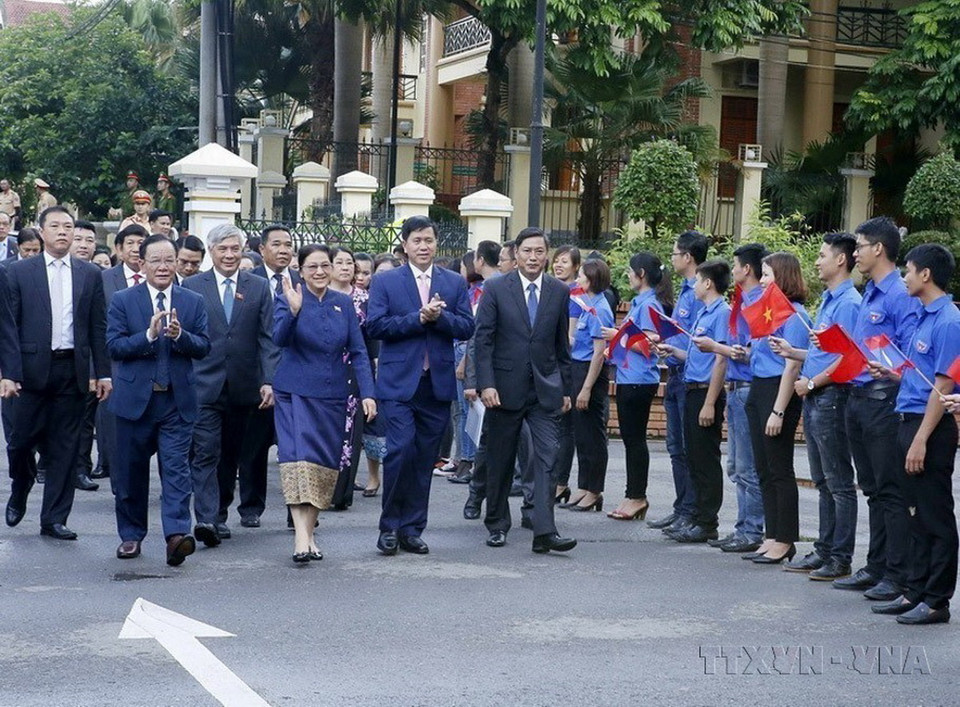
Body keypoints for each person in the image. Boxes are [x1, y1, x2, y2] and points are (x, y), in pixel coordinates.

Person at [366, 215, 474, 556]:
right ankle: (389, 527)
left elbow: (467, 327)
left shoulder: (454, 282)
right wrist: (418, 319)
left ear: (436, 243)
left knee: (425, 457)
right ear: (405, 244)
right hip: (399, 383)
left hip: (437, 383)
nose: (423, 246)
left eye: (428, 240)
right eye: (416, 241)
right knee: (400, 451)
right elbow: (376, 326)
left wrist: (439, 318)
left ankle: (413, 529)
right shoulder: (387, 282)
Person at [2, 206, 111, 539]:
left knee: (65, 446)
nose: (63, 232)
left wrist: (102, 372)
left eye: (68, 227)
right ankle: (21, 486)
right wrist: (8, 372)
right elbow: (8, 326)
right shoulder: (18, 272)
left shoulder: (89, 274)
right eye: (56, 226)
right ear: (41, 231)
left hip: (71, 368)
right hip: (29, 370)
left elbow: (97, 326)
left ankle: (54, 518)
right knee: (20, 441)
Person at [868, 244, 960, 625]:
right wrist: (892, 374)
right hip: (908, 419)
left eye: (908, 269)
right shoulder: (924, 316)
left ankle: (937, 599)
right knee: (914, 513)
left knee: (934, 514)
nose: (904, 277)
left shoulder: (949, 320)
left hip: (930, 427)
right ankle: (915, 590)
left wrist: (922, 438)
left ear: (926, 275)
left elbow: (943, 384)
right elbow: (919, 371)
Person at [106, 235, 211, 565]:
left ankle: (176, 536)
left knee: (177, 471)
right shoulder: (123, 300)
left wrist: (181, 336)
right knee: (130, 473)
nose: (164, 267)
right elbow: (115, 347)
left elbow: (204, 346)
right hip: (135, 401)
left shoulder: (192, 301)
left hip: (176, 403)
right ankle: (131, 535)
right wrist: (149, 336)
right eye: (156, 261)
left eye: (170, 260)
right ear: (142, 263)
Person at [474, 227, 576, 553]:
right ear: (516, 254)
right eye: (527, 251)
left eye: (539, 252)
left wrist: (565, 389)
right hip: (503, 390)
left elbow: (561, 345)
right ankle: (497, 524)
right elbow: (483, 340)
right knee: (501, 460)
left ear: (547, 255)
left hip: (545, 391)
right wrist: (485, 384)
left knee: (547, 460)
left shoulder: (559, 292)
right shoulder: (495, 288)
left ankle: (544, 531)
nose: (533, 258)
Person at [835, 217, 920, 600]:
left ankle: (897, 573)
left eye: (860, 246)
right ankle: (877, 565)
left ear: (879, 249)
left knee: (890, 491)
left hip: (884, 400)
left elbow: (911, 355)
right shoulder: (869, 291)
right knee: (871, 488)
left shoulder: (900, 294)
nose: (855, 253)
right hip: (858, 398)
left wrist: (891, 371)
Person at [274, 244, 375, 562]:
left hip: (334, 394)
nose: (319, 272)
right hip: (295, 392)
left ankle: (309, 533)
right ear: (300, 269)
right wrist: (292, 312)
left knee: (324, 465)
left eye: (324, 266)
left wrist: (368, 394)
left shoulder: (343, 303)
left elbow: (359, 351)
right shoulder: (290, 295)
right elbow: (278, 338)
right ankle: (302, 540)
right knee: (298, 461)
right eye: (312, 267)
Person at [773, 234, 861, 581]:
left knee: (839, 482)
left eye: (823, 255)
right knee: (823, 480)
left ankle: (840, 556)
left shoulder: (850, 303)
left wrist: (811, 383)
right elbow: (825, 353)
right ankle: (824, 549)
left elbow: (849, 359)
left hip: (832, 397)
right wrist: (795, 354)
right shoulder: (828, 300)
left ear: (841, 260)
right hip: (815, 396)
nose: (817, 261)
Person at [183, 224, 279, 540]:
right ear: (211, 252)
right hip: (203, 385)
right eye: (222, 249)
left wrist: (268, 381)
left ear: (242, 250)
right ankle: (207, 519)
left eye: (234, 249)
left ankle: (221, 510)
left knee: (230, 453)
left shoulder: (258, 287)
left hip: (244, 386)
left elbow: (267, 338)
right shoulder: (192, 286)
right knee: (206, 451)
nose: (228, 255)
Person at [694, 243, 767, 553]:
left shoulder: (759, 306)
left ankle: (752, 531)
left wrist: (715, 347)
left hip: (748, 387)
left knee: (748, 468)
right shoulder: (741, 303)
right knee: (737, 466)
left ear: (746, 269)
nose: (733, 271)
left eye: (736, 266)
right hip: (736, 390)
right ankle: (742, 527)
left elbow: (754, 354)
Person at [739, 251, 810, 564]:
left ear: (782, 277)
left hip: (777, 392)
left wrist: (779, 410)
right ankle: (771, 535)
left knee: (780, 468)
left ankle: (786, 539)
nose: (762, 280)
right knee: (763, 468)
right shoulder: (768, 311)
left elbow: (792, 365)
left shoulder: (793, 314)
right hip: (759, 387)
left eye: (767, 275)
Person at [658, 259, 731, 542]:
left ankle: (707, 521)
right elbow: (697, 357)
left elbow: (720, 360)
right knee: (694, 457)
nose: (695, 286)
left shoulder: (721, 313)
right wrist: (673, 352)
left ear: (708, 283)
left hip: (705, 391)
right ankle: (697, 517)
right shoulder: (704, 313)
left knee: (705, 459)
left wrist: (710, 402)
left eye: (698, 280)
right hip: (691, 386)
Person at [602, 252, 671, 521]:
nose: (628, 276)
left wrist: (618, 336)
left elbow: (651, 345)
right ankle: (632, 494)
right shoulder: (641, 303)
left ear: (641, 273)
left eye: (631, 271)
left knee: (634, 440)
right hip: (630, 378)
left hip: (639, 379)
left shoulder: (650, 305)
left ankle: (637, 496)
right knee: (631, 439)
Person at [647, 231, 707, 533]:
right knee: (675, 447)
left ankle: (692, 511)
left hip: (690, 375)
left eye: (674, 253)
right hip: (675, 373)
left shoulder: (699, 291)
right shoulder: (685, 291)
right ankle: (681, 507)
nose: (671, 259)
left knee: (687, 447)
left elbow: (698, 340)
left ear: (688, 257)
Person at [562, 258, 615, 512]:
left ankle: (595, 490)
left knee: (593, 435)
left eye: (581, 275)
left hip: (590, 373)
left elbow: (599, 353)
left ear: (591, 279)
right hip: (577, 368)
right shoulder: (586, 304)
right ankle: (583, 487)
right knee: (581, 434)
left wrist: (585, 388)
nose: (577, 279)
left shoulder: (600, 308)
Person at [97, 225, 147, 484]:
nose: (136, 248)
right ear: (118, 248)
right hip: (114, 363)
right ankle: (119, 482)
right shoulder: (104, 279)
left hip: (149, 364)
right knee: (115, 427)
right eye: (130, 242)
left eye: (141, 242)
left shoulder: (161, 277)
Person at [327, 245, 370, 510]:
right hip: (324, 371)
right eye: (339, 262)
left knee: (350, 432)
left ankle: (342, 492)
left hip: (354, 371)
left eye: (349, 262)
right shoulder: (318, 295)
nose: (345, 267)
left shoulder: (364, 299)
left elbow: (370, 342)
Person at [70, 219, 102, 492]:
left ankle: (81, 469)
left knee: (83, 420)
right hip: (46, 362)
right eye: (78, 239)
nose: (83, 245)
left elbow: (97, 328)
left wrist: (96, 370)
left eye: (89, 241)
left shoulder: (94, 275)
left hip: (84, 362)